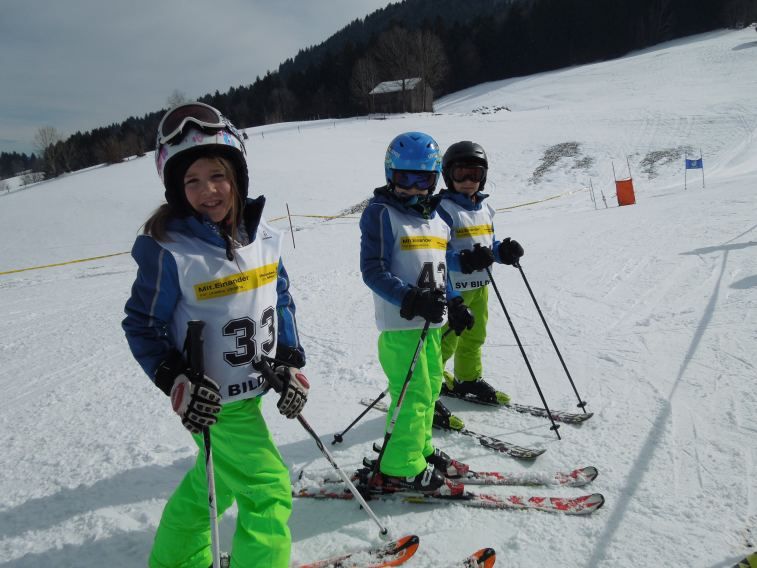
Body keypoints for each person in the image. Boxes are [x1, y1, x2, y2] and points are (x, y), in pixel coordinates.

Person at [122, 102, 308, 568]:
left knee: (215, 482)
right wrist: (176, 378)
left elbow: (280, 298)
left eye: (217, 175)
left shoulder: (263, 236)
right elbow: (143, 325)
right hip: (214, 401)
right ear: (175, 189)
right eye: (192, 181)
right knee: (268, 489)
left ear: (238, 177)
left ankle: (176, 559)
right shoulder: (171, 250)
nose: (208, 190)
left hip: (252, 388)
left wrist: (287, 359)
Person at [359, 132, 475, 493]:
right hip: (401, 327)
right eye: (404, 177)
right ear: (389, 175)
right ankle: (400, 464)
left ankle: (419, 448)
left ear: (434, 179)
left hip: (432, 325)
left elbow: (440, 269)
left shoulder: (438, 220)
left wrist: (455, 302)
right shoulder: (381, 213)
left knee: (430, 389)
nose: (412, 187)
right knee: (411, 394)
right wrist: (410, 298)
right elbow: (373, 270)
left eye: (422, 180)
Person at [436, 140, 524, 405]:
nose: (468, 181)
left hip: (480, 286)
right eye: (460, 174)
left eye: (475, 174)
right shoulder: (443, 209)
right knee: (445, 341)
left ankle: (467, 379)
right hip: (453, 289)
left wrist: (502, 252)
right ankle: (428, 386)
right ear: (448, 175)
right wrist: (464, 261)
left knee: (475, 336)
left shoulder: (485, 208)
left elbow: (488, 245)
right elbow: (435, 253)